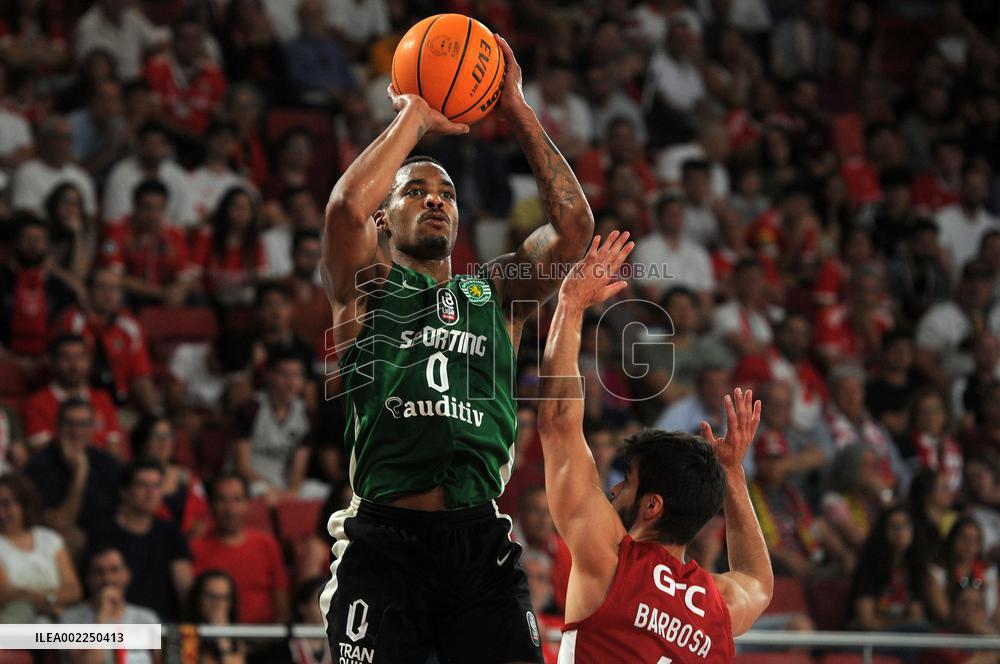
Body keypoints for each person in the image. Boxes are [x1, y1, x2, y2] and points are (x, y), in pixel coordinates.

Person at [319, 34, 593, 663]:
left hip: (477, 541)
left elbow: (575, 230)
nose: (435, 201)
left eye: (445, 195)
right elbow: (341, 209)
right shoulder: (368, 287)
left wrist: (517, 108)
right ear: (384, 220)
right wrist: (414, 111)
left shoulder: (495, 292)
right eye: (415, 191)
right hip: (383, 540)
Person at [536, 232, 773, 661]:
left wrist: (570, 307)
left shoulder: (610, 561)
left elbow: (556, 425)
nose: (613, 490)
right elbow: (758, 581)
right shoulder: (717, 605)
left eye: (627, 482)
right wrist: (732, 474)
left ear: (651, 506)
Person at [86, 459, 194, 621]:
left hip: (159, 627)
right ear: (125, 491)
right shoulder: (102, 531)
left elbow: (185, 588)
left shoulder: (171, 533)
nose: (151, 492)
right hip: (111, 621)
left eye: (157, 486)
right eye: (143, 485)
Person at [190, 473, 289, 625]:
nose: (230, 509)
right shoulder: (196, 547)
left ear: (248, 504)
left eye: (237, 500)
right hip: (213, 635)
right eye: (222, 500)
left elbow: (282, 603)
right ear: (211, 505)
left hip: (265, 639)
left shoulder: (267, 545)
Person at [0, 474, 81, 622]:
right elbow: (6, 595)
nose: (1, 513)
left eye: (7, 504)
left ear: (23, 504)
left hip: (57, 616)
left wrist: (45, 599)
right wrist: (51, 600)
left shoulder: (49, 539)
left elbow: (73, 590)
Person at [61, 546, 160, 664]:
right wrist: (102, 615)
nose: (107, 578)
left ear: (127, 575)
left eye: (114, 570)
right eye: (99, 571)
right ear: (88, 578)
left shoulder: (146, 618)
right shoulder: (71, 618)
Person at [848, 506, 933, 632]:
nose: (901, 531)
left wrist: (892, 622)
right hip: (869, 638)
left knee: (923, 629)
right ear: (883, 531)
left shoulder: (916, 568)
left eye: (906, 525)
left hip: (903, 634)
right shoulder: (869, 568)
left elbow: (917, 616)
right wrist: (901, 622)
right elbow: (866, 621)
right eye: (894, 526)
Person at [131, 416, 210, 538]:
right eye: (157, 435)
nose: (164, 442)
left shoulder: (188, 476)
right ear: (143, 441)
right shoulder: (131, 477)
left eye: (169, 435)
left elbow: (203, 515)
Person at [185, 570, 246, 664]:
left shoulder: (236, 637)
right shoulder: (183, 632)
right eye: (211, 596)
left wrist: (222, 636)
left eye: (224, 597)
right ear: (198, 598)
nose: (218, 604)